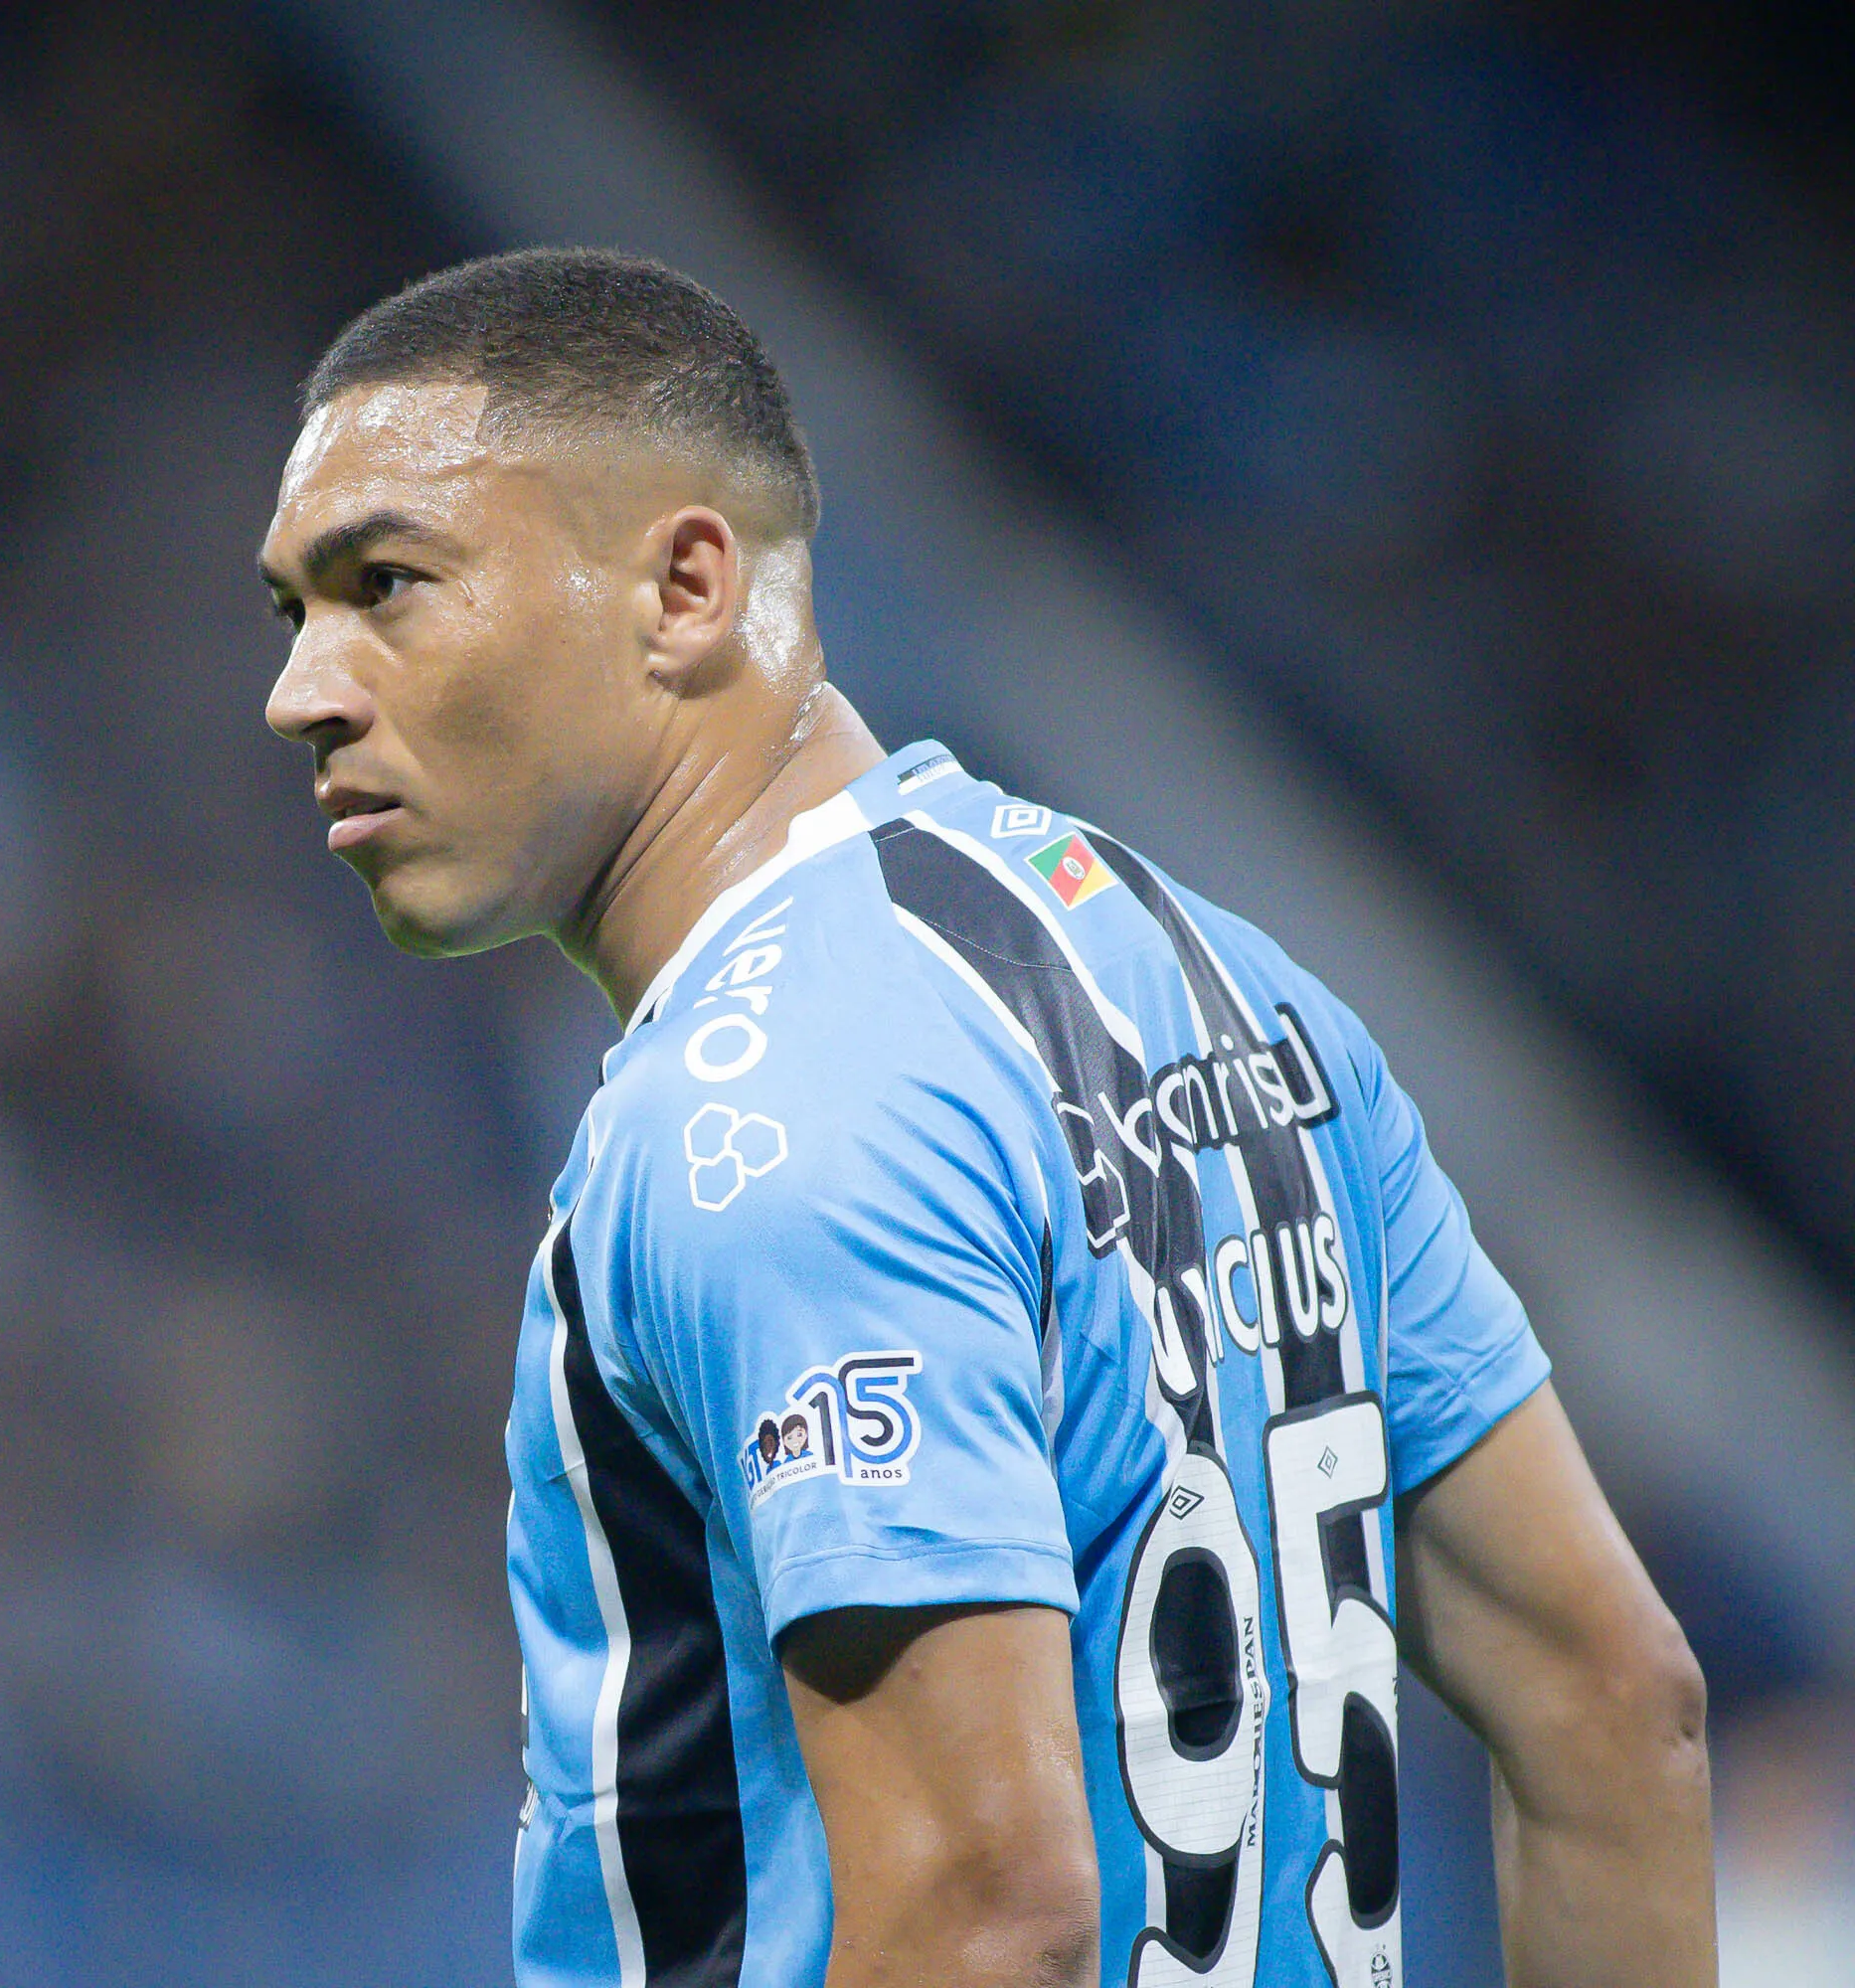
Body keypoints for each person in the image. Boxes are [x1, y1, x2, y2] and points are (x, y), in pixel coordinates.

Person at [257, 248, 1715, 1988]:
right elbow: (1614, 1702)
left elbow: (984, 1916)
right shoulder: (1233, 987)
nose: (303, 691)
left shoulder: (761, 1118)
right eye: (294, 614)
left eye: (388, 585)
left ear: (686, 589)